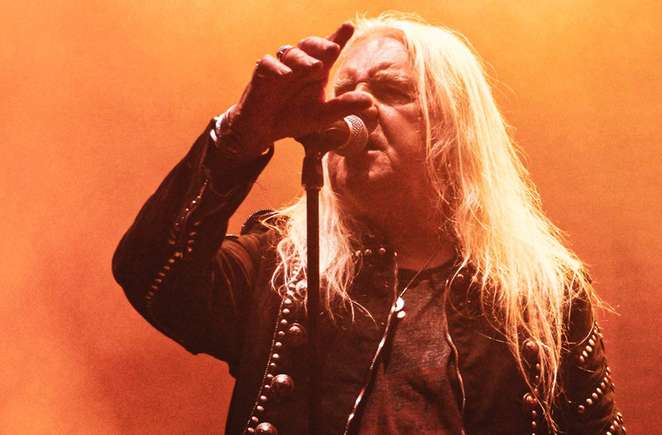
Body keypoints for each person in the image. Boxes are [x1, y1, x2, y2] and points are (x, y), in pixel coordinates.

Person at [113, 13, 625, 435]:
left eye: (391, 89)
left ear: (455, 128)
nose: (355, 109)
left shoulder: (542, 294)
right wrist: (239, 136)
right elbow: (150, 272)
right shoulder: (281, 266)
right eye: (345, 90)